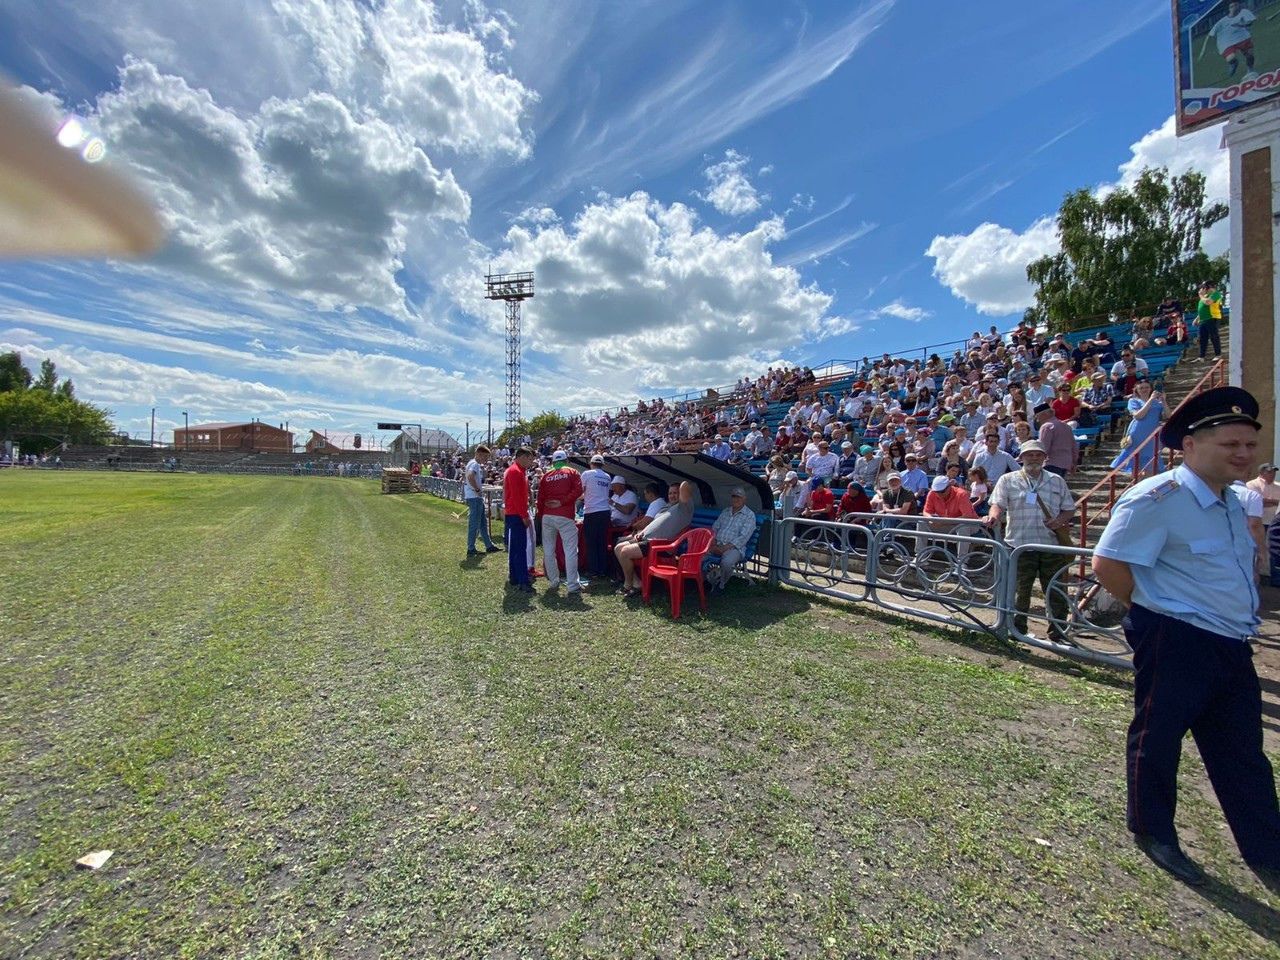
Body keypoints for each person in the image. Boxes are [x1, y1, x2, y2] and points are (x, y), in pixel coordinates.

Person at [1091, 387, 1280, 886]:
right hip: (1176, 638)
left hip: (1231, 642)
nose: (1242, 454)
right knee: (1159, 739)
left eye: (1248, 445)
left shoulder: (1239, 501)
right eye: (1229, 444)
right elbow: (1108, 566)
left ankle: (1266, 849)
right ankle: (1155, 832)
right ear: (1191, 445)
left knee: (1243, 750)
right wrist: (1155, 613)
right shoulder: (1158, 498)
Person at [985, 440, 1074, 641]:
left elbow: (1069, 508)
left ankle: (1058, 632)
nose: (1033, 458)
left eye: (1037, 454)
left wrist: (1058, 520)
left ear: (1044, 457)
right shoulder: (1008, 480)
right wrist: (993, 516)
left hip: (1050, 545)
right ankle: (1018, 631)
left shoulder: (1056, 480)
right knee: (1019, 591)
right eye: (1029, 455)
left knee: (1056, 590)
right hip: (1019, 544)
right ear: (1022, 458)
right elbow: (997, 504)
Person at [613, 481, 696, 596]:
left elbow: (685, 486)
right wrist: (642, 532)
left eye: (675, 493)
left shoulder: (684, 507)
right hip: (648, 539)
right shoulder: (668, 507)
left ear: (681, 495)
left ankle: (627, 584)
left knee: (625, 552)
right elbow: (656, 524)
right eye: (670, 493)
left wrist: (681, 486)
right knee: (618, 547)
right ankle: (637, 583)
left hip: (661, 545)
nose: (672, 495)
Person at [537, 449, 585, 594]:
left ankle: (554, 581)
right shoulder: (572, 472)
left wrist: (540, 514)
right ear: (566, 461)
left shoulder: (546, 475)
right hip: (564, 515)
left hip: (547, 515)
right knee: (570, 550)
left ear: (553, 462)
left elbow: (540, 498)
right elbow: (578, 491)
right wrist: (563, 502)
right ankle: (572, 585)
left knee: (548, 550)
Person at [1110, 380, 1166, 477]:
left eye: (1147, 387)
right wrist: (1150, 400)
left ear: (1151, 388)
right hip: (1137, 434)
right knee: (1136, 464)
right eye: (1141, 388)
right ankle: (1136, 486)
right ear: (1137, 390)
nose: (1144, 389)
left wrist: (1164, 401)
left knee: (1151, 463)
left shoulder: (1158, 402)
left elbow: (1168, 415)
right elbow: (1139, 416)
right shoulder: (1133, 401)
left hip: (1152, 435)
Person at [706, 487, 757, 590]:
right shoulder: (726, 511)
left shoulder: (749, 515)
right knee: (699, 555)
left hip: (734, 548)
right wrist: (714, 543)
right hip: (717, 544)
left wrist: (724, 548)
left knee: (727, 563)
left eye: (739, 497)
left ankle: (721, 585)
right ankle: (702, 579)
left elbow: (743, 537)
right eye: (734, 496)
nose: (736, 499)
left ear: (744, 499)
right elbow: (715, 528)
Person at [1200, 1, 1265, 80]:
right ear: (1229, 9)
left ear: (1239, 5)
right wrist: (1203, 50)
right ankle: (1233, 63)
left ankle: (1250, 70)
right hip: (1226, 41)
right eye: (1232, 6)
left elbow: (1250, 22)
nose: (1234, 7)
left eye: (1236, 5)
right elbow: (1210, 35)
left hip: (1242, 37)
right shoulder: (1221, 22)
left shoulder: (1244, 12)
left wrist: (1241, 24)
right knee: (1231, 58)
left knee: (1250, 55)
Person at [503, 447, 535, 592]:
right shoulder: (515, 472)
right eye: (529, 459)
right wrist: (524, 515)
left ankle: (515, 576)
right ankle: (522, 580)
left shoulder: (517, 471)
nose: (531, 462)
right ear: (522, 456)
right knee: (520, 548)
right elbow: (517, 496)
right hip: (516, 514)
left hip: (513, 513)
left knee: (515, 547)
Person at [463, 445, 500, 556]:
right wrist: (477, 489)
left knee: (483, 523)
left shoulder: (472, 463)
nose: (486, 459)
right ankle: (471, 548)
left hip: (475, 497)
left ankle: (489, 545)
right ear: (479, 453)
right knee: (474, 523)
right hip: (474, 497)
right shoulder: (474, 464)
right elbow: (470, 476)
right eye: (484, 456)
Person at [580, 454, 612, 578]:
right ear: (602, 465)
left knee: (591, 542)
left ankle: (593, 570)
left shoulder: (587, 474)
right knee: (602, 541)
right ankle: (603, 570)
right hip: (605, 511)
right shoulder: (607, 476)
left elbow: (581, 491)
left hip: (592, 511)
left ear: (591, 463)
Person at [1036, 403, 1077, 477]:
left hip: (1051, 464)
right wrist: (1074, 463)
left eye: (1037, 416)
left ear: (1044, 414)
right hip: (1066, 464)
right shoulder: (1066, 426)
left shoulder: (1046, 427)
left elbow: (1044, 448)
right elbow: (1074, 447)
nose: (1037, 420)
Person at [1192, 280, 1224, 362]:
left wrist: (1201, 296)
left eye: (1203, 287)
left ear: (1208, 287)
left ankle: (1218, 355)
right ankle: (1201, 356)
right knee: (1202, 338)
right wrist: (1197, 318)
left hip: (1212, 317)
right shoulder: (1205, 296)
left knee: (1214, 336)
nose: (1202, 289)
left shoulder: (1216, 294)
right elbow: (1203, 308)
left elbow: (1208, 302)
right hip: (1203, 319)